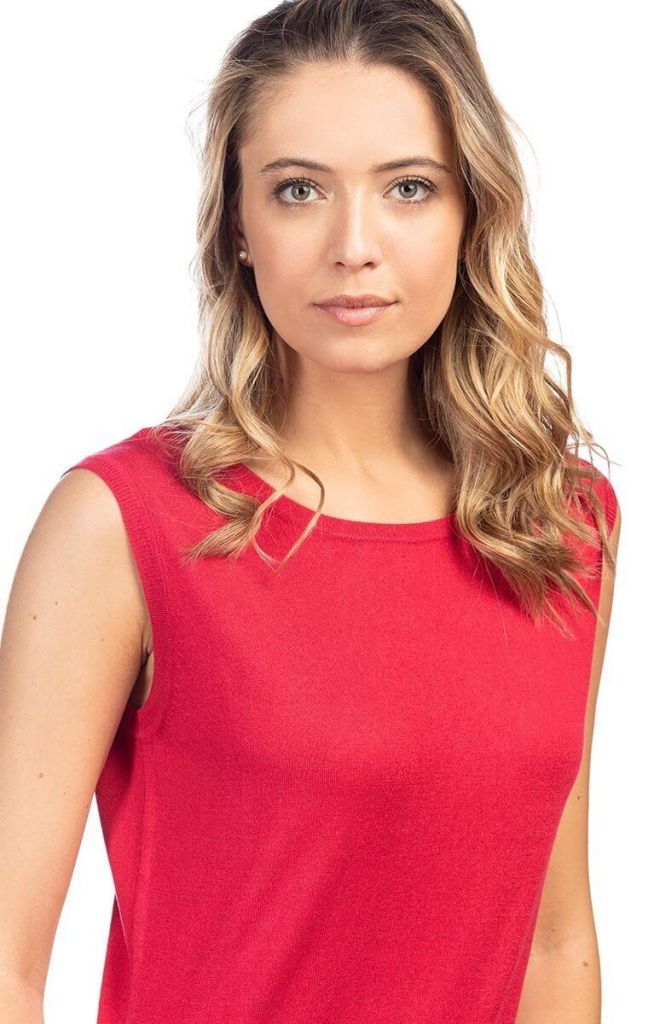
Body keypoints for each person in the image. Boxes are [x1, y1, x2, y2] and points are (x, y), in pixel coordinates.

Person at [0, 1, 621, 1021]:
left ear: (472, 214)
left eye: (409, 188)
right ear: (237, 226)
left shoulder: (558, 523)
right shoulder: (123, 523)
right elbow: (10, 963)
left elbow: (556, 940)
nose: (354, 245)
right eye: (299, 190)